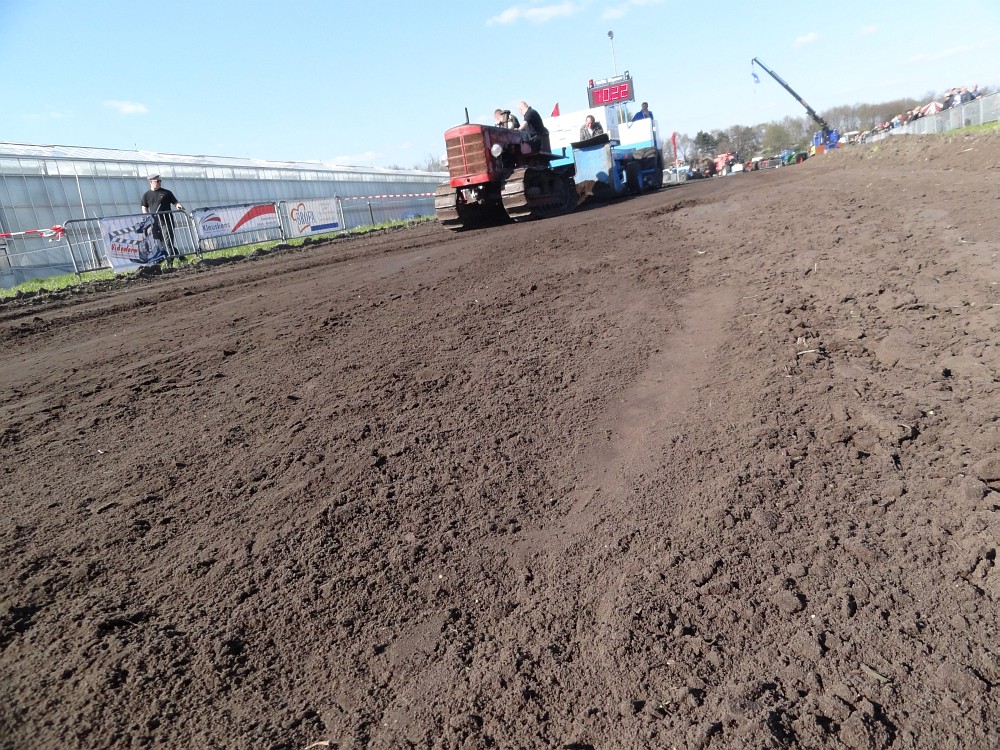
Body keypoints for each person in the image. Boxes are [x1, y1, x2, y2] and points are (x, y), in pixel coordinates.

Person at [140, 175, 185, 265]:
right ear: (151, 182)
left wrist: (179, 206)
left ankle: (169, 263)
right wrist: (147, 216)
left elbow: (175, 202)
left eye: (160, 181)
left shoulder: (166, 193)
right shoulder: (146, 195)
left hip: (166, 221)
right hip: (155, 223)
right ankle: (181, 257)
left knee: (168, 242)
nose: (159, 182)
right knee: (161, 244)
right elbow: (144, 206)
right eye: (157, 181)